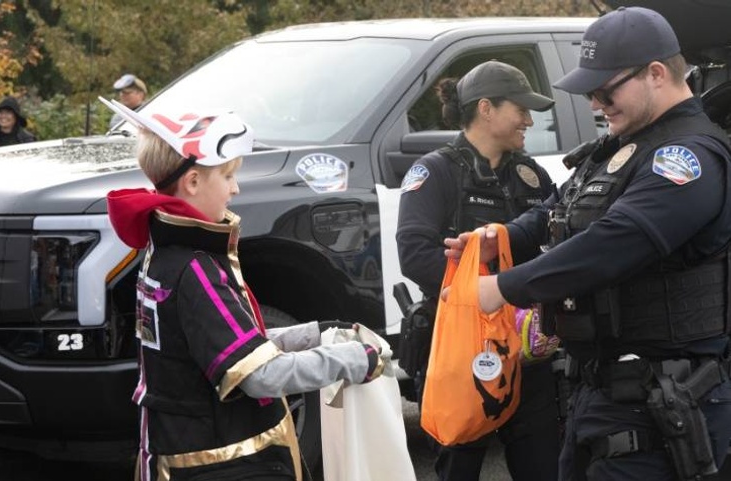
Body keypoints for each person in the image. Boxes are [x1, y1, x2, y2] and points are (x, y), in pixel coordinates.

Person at [444, 7, 731, 481]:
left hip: (665, 407)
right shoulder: (624, 146)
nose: (596, 104)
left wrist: (504, 286)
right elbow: (561, 206)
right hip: (599, 397)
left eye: (605, 90)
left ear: (656, 73)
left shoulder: (687, 157)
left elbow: (615, 242)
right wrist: (503, 238)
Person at [101, 99, 385, 481]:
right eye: (228, 175)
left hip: (175, 450)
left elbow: (214, 345)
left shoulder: (163, 251)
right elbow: (259, 376)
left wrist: (310, 335)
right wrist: (354, 360)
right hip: (218, 462)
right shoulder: (195, 267)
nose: (235, 188)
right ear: (193, 181)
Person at [396, 60, 560, 481]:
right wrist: (488, 289)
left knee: (543, 466)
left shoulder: (531, 173)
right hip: (460, 349)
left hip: (525, 351)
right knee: (459, 468)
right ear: (486, 108)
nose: (528, 118)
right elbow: (414, 255)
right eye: (520, 108)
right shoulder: (434, 170)